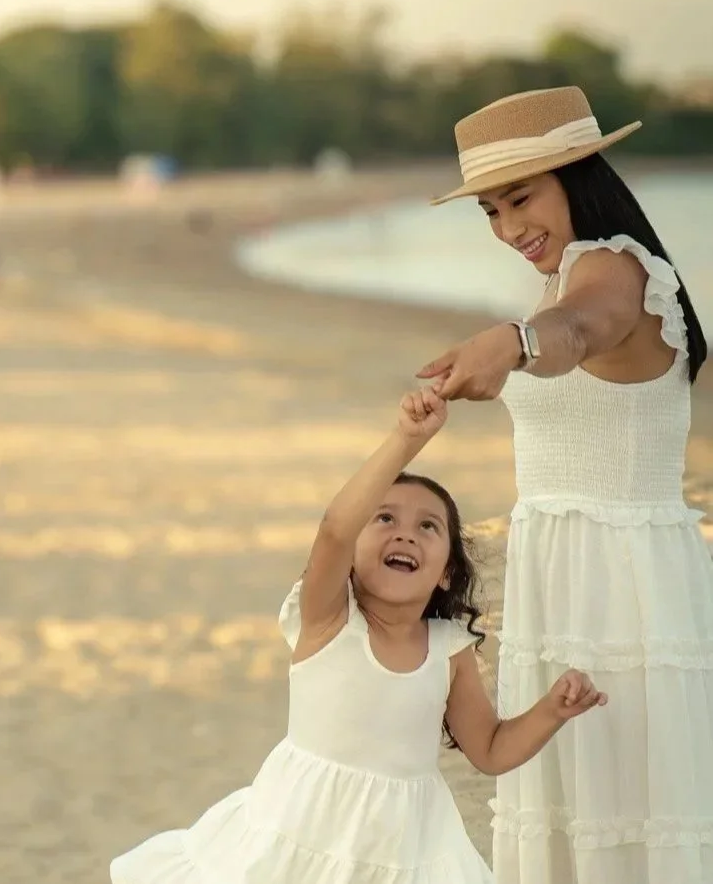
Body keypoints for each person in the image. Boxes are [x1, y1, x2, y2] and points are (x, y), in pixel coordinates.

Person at [110, 388, 606, 884]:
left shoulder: (447, 648)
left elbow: (492, 750)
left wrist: (552, 711)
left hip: (406, 846)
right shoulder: (329, 620)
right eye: (384, 518)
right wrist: (406, 440)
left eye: (428, 526)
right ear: (351, 552)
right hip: (303, 829)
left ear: (446, 573)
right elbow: (333, 529)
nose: (405, 534)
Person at [419, 85, 713, 883]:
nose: (509, 228)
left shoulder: (614, 268)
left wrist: (513, 343)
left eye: (522, 199)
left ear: (578, 174)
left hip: (623, 588)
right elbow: (563, 326)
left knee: (623, 808)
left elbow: (577, 333)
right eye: (490, 211)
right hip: (568, 574)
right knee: (582, 807)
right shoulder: (565, 276)